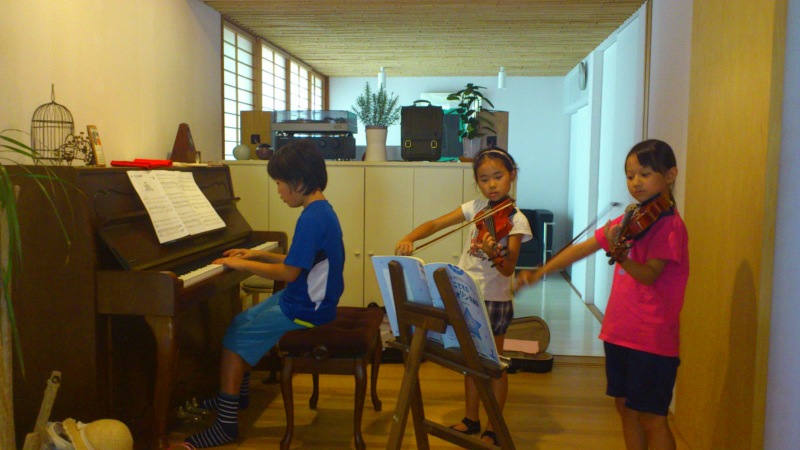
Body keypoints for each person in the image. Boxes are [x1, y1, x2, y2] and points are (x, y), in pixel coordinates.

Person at [516, 139, 689, 450]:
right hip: (620, 332)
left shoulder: (669, 226)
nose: (635, 182)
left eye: (645, 174)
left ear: (670, 175)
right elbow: (584, 247)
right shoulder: (631, 219)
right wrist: (541, 271)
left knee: (652, 417)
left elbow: (649, 274)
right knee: (625, 409)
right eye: (630, 175)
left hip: (651, 338)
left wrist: (622, 257)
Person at [183, 139, 345, 448]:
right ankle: (236, 397)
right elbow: (300, 261)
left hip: (306, 309)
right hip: (304, 300)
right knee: (240, 321)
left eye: (280, 183)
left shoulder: (312, 218)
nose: (279, 191)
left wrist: (242, 265)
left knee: (233, 340)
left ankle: (225, 426)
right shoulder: (321, 210)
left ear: (298, 182)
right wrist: (257, 254)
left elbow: (289, 273)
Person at [395, 147, 532, 446]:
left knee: (493, 366)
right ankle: (471, 419)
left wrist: (492, 252)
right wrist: (410, 237)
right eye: (484, 179)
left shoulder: (517, 220)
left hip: (494, 301)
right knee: (470, 362)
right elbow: (436, 224)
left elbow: (508, 269)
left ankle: (494, 426)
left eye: (498, 176)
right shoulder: (476, 208)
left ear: (512, 175)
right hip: (465, 294)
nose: (491, 184)